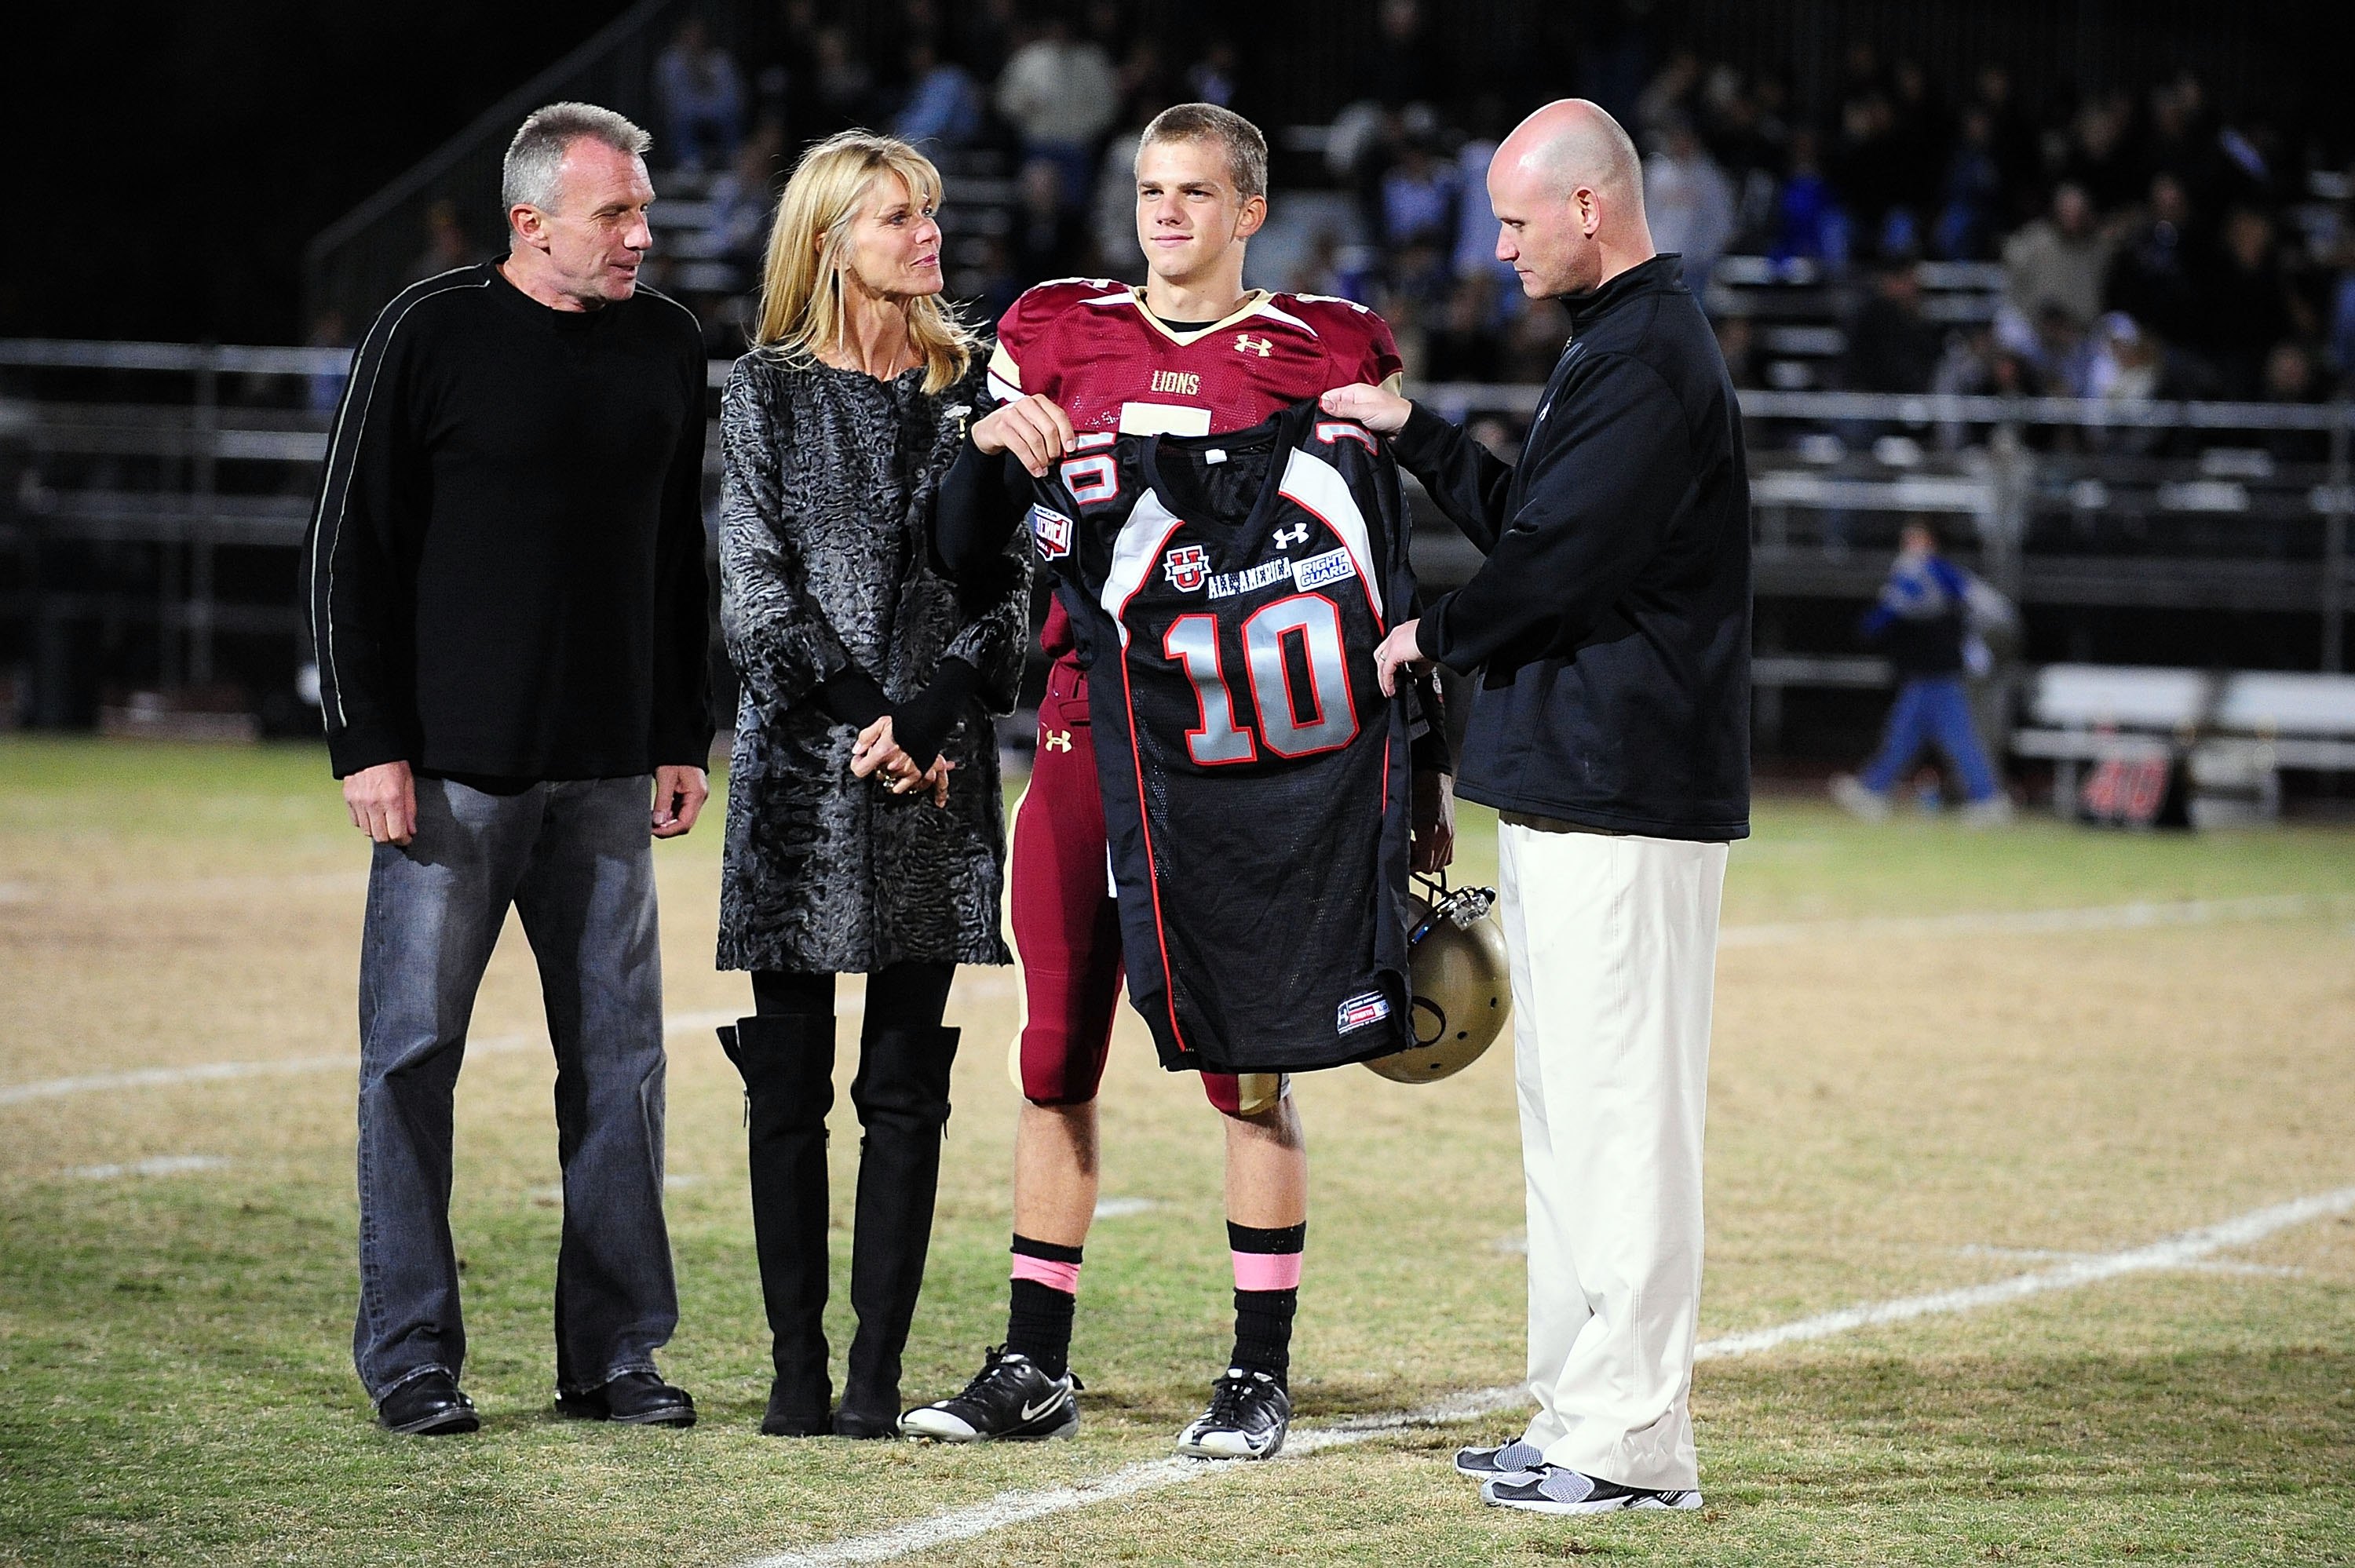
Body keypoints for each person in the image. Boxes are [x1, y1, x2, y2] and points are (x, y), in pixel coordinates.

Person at [900, 102, 1450, 1463]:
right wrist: (980, 447)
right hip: (1088, 726)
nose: (1165, 214)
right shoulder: (1054, 329)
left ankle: (1258, 1369)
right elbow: (958, 547)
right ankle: (1035, 1360)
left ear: (1251, 210)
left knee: (1249, 1060)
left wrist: (1416, 772)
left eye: (1196, 192)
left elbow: (1377, 571)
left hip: (1242, 756)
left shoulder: (1317, 350)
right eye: (1150, 188)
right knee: (1051, 1053)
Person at [1323, 97, 1750, 1515]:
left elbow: (1556, 561)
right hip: (1582, 778)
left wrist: (1430, 634)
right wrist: (1420, 435)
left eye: (1514, 221)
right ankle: (1576, 1409)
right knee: (1570, 1107)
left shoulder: (1647, 350)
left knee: (1623, 1115)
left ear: (1590, 207)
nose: (1494, 248)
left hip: (1629, 783)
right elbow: (1541, 523)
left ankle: (1630, 1443)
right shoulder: (1615, 345)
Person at [306, 103, 712, 1437]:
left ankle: (614, 1354)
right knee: (413, 1061)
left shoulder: (667, 345)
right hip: (450, 780)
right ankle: (413, 1355)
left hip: (605, 777)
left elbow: (675, 560)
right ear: (531, 221)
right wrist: (369, 739)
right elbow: (348, 547)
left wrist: (676, 727)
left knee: (622, 1070)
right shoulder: (426, 331)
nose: (639, 237)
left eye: (643, 212)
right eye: (616, 216)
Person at [713, 131, 1030, 1440]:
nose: (926, 236)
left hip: (935, 762)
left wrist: (924, 715)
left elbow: (1013, 588)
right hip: (802, 764)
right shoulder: (762, 393)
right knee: (787, 1082)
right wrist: (862, 715)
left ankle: (874, 1379)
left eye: (929, 214)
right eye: (895, 217)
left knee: (906, 1082)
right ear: (832, 238)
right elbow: (752, 586)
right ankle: (796, 1369)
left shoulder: (976, 391)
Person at [1831, 522, 2014, 824]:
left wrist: (1974, 640)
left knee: (1955, 739)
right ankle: (1874, 789)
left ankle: (1989, 799)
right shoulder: (1929, 574)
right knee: (1906, 736)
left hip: (1938, 672)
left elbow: (1882, 620)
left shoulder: (1931, 572)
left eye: (1914, 539)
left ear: (1929, 542)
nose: (1908, 545)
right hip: (1928, 671)